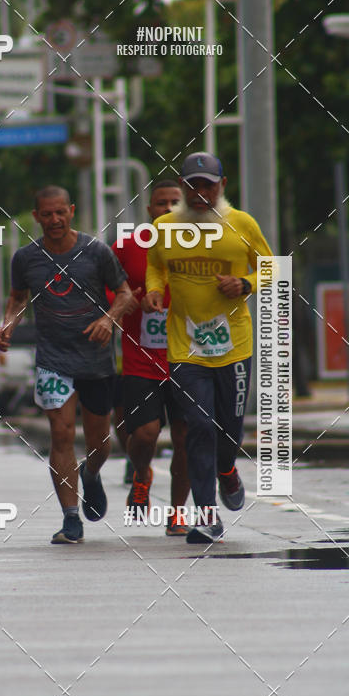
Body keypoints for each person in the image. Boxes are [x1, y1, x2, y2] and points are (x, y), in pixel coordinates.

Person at [145, 152, 273, 543]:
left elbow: (272, 266)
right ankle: (205, 516)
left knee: (228, 432)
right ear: (182, 188)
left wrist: (245, 284)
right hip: (186, 348)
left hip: (234, 345)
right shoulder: (165, 227)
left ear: (222, 185)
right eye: (193, 185)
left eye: (208, 185)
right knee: (198, 427)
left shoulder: (241, 224)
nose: (200, 192)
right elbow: (156, 265)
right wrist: (153, 290)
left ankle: (227, 470)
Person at [0, 185, 132, 545]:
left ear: (71, 211)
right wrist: (8, 323)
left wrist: (108, 320)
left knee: (100, 442)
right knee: (61, 433)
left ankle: (91, 472)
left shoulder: (96, 251)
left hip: (95, 359)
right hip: (53, 360)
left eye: (61, 212)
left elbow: (125, 294)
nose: (54, 220)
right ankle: (71, 518)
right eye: (47, 214)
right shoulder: (26, 258)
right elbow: (17, 299)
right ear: (37, 216)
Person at [112, 180, 191, 535]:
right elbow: (107, 287)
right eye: (162, 203)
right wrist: (129, 299)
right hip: (142, 358)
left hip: (191, 358)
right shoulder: (129, 246)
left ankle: (177, 513)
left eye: (176, 202)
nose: (169, 208)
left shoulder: (203, 243)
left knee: (186, 440)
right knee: (144, 434)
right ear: (149, 210)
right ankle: (142, 474)